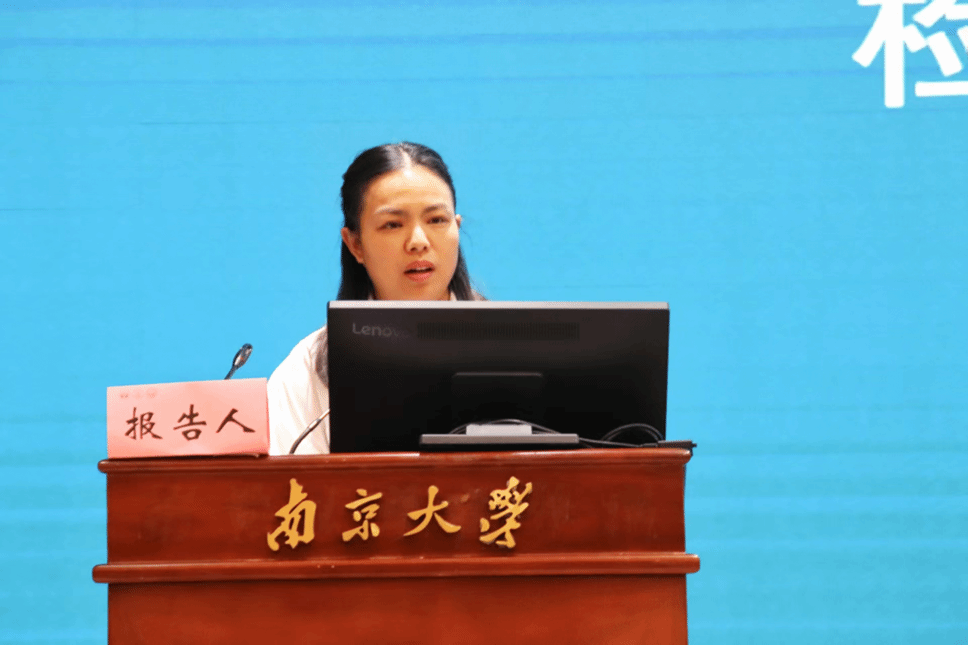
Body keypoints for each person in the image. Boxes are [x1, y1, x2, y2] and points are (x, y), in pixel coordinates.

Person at [267, 142, 481, 455]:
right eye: (392, 224)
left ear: (456, 228)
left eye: (437, 220)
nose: (418, 242)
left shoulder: (513, 348)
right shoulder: (307, 370)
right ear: (355, 244)